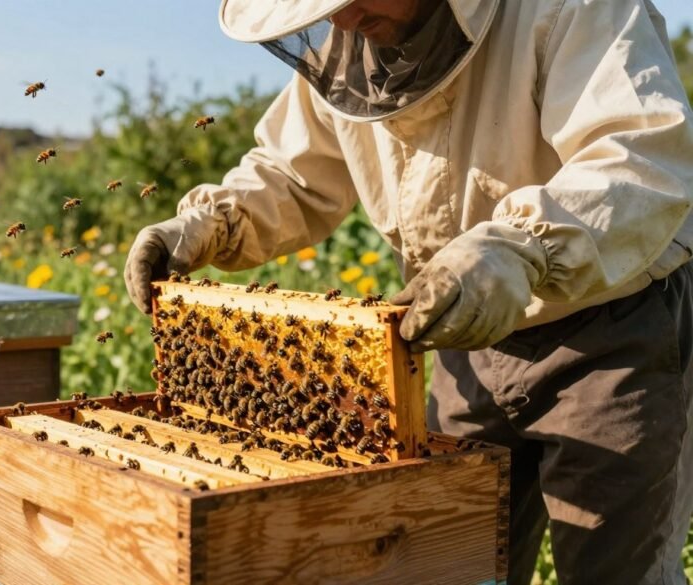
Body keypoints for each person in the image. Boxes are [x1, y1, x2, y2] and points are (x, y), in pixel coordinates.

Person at [124, 0, 693, 583]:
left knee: (616, 570)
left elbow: (638, 157)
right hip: (457, 337)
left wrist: (518, 248)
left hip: (608, 337)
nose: (342, 21)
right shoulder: (348, 51)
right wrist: (210, 223)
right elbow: (294, 172)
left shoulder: (571, 8)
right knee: (450, 560)